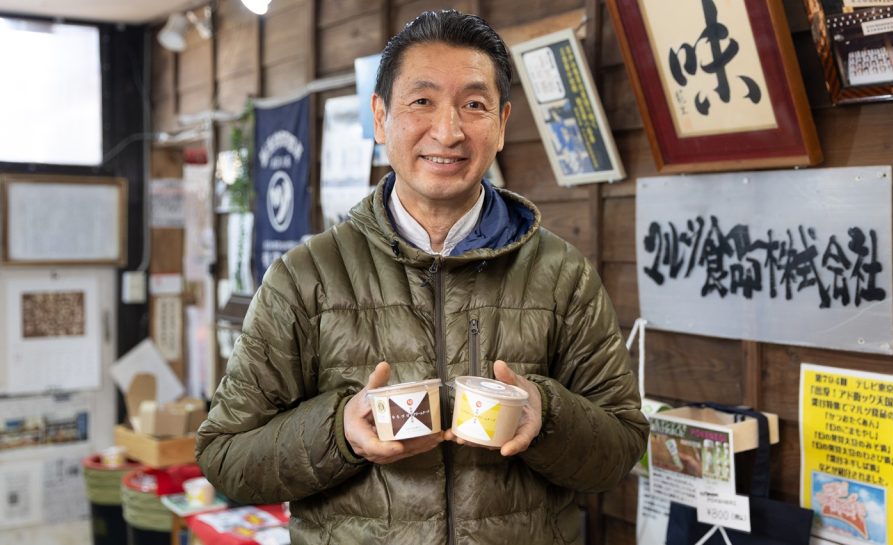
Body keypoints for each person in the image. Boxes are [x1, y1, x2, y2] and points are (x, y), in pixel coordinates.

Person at [195, 9, 648, 545]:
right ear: (380, 117)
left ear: (502, 124)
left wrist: (546, 417)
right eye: (422, 101)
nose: (448, 131)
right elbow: (225, 454)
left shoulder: (562, 275)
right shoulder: (306, 277)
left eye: (474, 105)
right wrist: (340, 432)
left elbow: (622, 445)